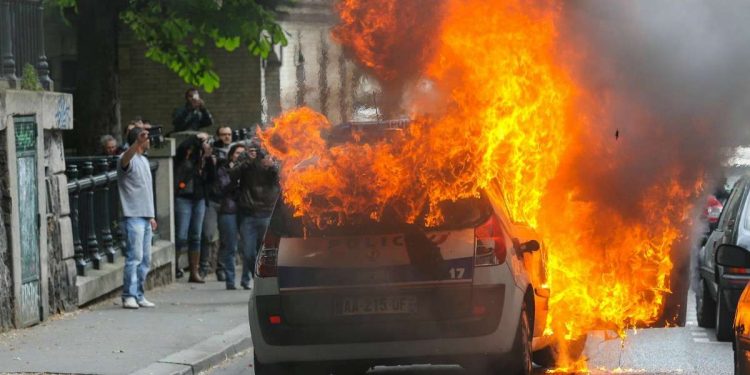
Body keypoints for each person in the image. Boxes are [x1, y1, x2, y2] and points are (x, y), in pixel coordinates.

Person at [117, 127, 157, 309]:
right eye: (145, 139)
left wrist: (151, 216)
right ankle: (128, 295)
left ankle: (139, 294)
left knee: (145, 260)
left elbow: (146, 191)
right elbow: (125, 159)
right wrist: (136, 143)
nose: (149, 141)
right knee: (134, 257)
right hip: (132, 215)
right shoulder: (129, 159)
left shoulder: (145, 160)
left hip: (145, 216)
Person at [230, 142, 280, 289]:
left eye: (256, 151)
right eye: (251, 151)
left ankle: (258, 280)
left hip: (266, 213)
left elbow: (279, 177)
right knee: (248, 252)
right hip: (249, 214)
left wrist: (271, 166)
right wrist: (247, 161)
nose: (254, 153)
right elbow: (232, 175)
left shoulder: (271, 162)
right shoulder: (246, 164)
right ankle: (250, 277)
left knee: (264, 252)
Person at [174, 132, 216, 283]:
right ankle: (176, 267)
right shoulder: (186, 154)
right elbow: (181, 148)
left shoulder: (206, 159)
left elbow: (212, 178)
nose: (206, 144)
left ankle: (194, 272)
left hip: (199, 199)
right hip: (184, 198)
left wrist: (209, 158)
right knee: (181, 236)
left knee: (196, 236)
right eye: (204, 142)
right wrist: (197, 138)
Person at [200, 126, 234, 280]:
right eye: (223, 134)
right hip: (213, 199)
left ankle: (221, 268)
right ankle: (204, 266)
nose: (226, 137)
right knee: (208, 235)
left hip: (228, 201)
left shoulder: (237, 154)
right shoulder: (212, 153)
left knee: (226, 238)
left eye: (229, 134)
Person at [217, 143, 245, 289]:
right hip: (229, 210)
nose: (239, 156)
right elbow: (224, 188)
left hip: (246, 210)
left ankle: (247, 279)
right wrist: (235, 176)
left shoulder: (249, 169)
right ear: (231, 155)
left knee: (247, 247)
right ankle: (230, 279)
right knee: (230, 246)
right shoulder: (224, 169)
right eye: (236, 153)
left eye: (242, 153)